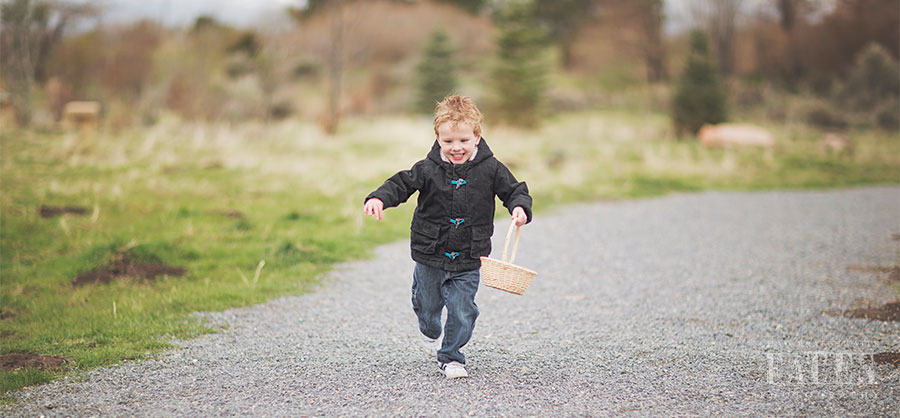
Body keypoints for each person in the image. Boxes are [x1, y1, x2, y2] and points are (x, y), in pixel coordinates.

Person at [363, 95, 532, 379]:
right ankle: (427, 319)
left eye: (464, 140)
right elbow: (400, 184)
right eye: (449, 141)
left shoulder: (491, 168)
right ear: (438, 139)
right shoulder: (427, 168)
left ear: (477, 137)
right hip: (430, 252)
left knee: (463, 308)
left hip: (470, 253)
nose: (457, 148)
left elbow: (515, 190)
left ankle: (451, 356)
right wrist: (379, 198)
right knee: (429, 307)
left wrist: (519, 207)